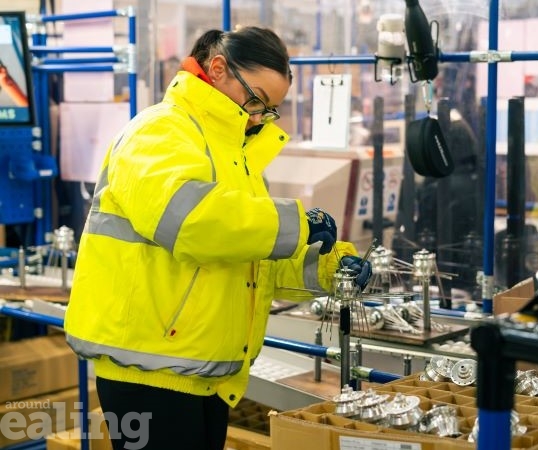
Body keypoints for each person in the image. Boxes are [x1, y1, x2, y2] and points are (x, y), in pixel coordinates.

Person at [64, 26, 371, 450]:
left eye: (270, 108)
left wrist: (329, 265)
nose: (259, 116)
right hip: (150, 374)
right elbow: (196, 225)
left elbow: (248, 254)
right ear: (219, 68)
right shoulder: (159, 133)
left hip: (201, 375)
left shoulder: (233, 155)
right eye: (256, 99)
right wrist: (298, 223)